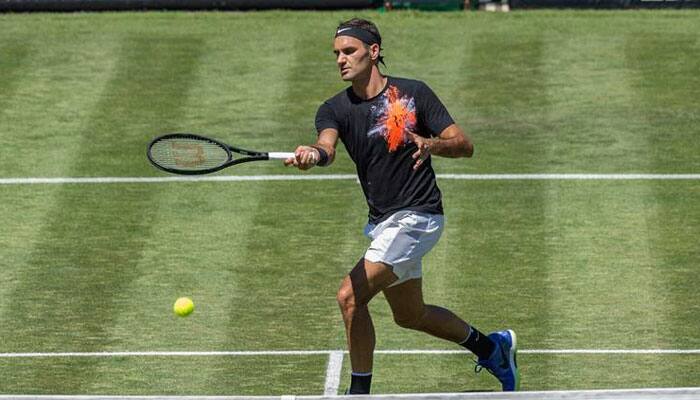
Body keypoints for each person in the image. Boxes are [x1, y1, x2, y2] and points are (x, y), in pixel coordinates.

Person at [284, 18, 519, 394]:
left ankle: (359, 392)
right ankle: (493, 348)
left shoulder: (413, 94)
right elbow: (326, 145)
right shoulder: (334, 109)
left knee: (349, 296)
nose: (341, 60)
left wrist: (432, 144)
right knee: (411, 315)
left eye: (349, 51)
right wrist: (312, 154)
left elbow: (464, 144)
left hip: (419, 215)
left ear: (373, 52)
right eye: (337, 54)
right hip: (383, 223)